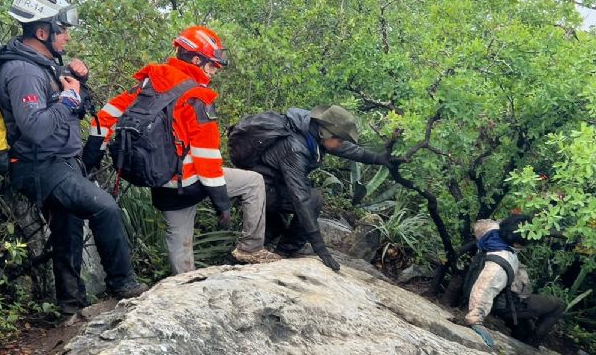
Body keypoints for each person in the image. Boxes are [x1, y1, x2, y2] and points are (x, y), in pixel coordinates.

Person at [83, 26, 281, 274]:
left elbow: (104, 118)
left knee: (180, 245)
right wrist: (222, 202)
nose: (214, 72)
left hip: (160, 181)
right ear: (196, 60)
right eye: (212, 66)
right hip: (191, 181)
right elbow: (206, 157)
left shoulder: (149, 82)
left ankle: (183, 286)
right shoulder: (197, 97)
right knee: (253, 182)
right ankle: (250, 248)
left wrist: (89, 160)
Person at [0, 0, 147, 311]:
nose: (66, 35)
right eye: (61, 29)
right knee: (104, 207)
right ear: (42, 31)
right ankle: (122, 283)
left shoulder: (45, 65)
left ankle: (71, 306)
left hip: (61, 163)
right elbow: (36, 127)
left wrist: (75, 83)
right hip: (39, 165)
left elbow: (68, 109)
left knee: (67, 232)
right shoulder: (22, 71)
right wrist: (67, 98)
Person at [230, 105, 400, 272]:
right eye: (340, 140)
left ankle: (239, 260)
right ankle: (283, 254)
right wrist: (320, 246)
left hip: (272, 185)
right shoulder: (296, 148)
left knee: (277, 225)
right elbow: (301, 198)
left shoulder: (310, 132)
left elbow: (348, 150)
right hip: (260, 190)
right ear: (325, 133)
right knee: (314, 199)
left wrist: (380, 159)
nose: (341, 144)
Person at [464, 215, 566, 348]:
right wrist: (475, 320)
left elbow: (480, 225)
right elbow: (483, 289)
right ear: (517, 244)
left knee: (525, 325)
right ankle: (531, 346)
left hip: (487, 288)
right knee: (559, 305)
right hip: (502, 304)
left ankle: (522, 330)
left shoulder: (492, 230)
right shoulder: (499, 264)